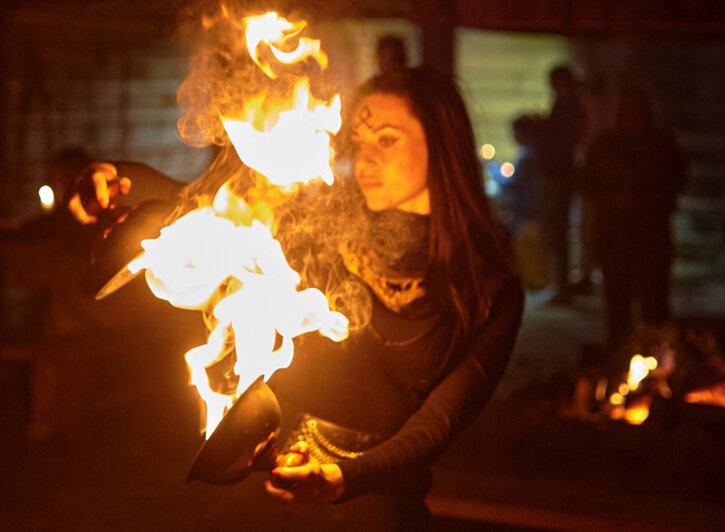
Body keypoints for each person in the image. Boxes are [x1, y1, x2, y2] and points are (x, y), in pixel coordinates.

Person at [66, 67, 524, 530]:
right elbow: (208, 211)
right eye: (359, 141)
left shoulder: (489, 289)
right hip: (255, 496)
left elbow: (437, 425)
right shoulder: (323, 227)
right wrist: (118, 178)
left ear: (443, 145)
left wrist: (343, 479)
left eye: (387, 140)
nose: (364, 158)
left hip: (368, 508)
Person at [583, 81, 686, 362]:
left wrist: (645, 203)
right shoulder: (605, 147)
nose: (633, 114)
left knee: (654, 299)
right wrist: (613, 201)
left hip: (651, 236)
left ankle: (659, 360)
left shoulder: (663, 146)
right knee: (617, 299)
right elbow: (589, 184)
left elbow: (675, 182)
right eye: (628, 107)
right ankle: (620, 358)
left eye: (638, 107)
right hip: (614, 235)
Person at [537, 65, 586, 304]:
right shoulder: (563, 107)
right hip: (556, 175)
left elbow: (565, 142)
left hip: (561, 176)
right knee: (554, 230)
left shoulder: (572, 109)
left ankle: (563, 285)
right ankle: (561, 283)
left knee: (558, 230)